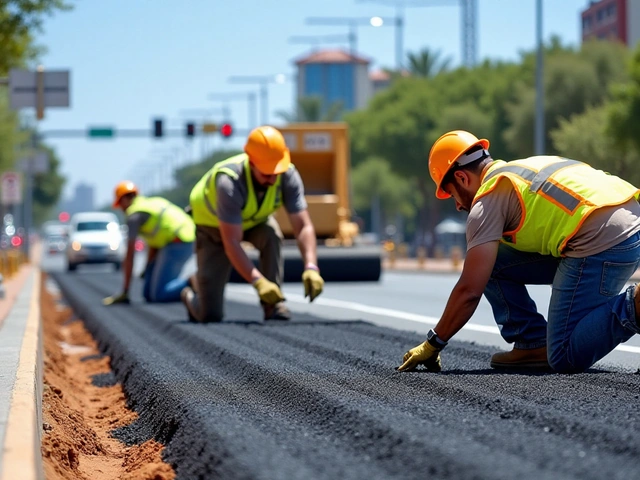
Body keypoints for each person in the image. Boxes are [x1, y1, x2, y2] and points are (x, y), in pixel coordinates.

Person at [397, 130, 640, 374]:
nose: (458, 205)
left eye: (452, 195)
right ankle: (532, 342)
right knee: (492, 262)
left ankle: (634, 307)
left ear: (461, 177)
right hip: (629, 222)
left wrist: (433, 343)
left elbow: (470, 290)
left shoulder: (488, 201)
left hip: (604, 240)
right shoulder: (519, 169)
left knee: (563, 355)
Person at [181, 125, 324, 323]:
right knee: (209, 315)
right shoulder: (229, 183)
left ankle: (272, 305)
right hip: (213, 229)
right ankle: (193, 288)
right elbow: (231, 242)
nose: (273, 178)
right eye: (267, 173)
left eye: (277, 171)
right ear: (252, 162)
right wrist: (258, 282)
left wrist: (311, 267)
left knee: (271, 235)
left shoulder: (287, 175)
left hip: (255, 222)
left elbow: (303, 226)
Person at [103, 181, 196, 305]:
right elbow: (155, 244)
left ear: (124, 199)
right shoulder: (150, 203)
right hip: (180, 237)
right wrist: (147, 268)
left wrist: (125, 291)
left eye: (120, 204)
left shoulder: (133, 216)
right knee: (148, 294)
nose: (121, 208)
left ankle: (194, 282)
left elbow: (130, 255)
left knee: (159, 294)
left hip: (180, 241)